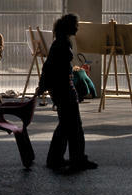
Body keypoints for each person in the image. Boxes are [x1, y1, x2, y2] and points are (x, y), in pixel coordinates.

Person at [35, 14, 97, 173]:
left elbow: (48, 67)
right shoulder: (61, 44)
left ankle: (57, 159)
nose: (77, 27)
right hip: (63, 90)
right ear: (69, 27)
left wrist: (43, 86)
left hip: (61, 89)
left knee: (66, 125)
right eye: (76, 25)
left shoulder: (60, 42)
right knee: (73, 125)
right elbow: (50, 67)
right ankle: (75, 159)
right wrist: (43, 86)